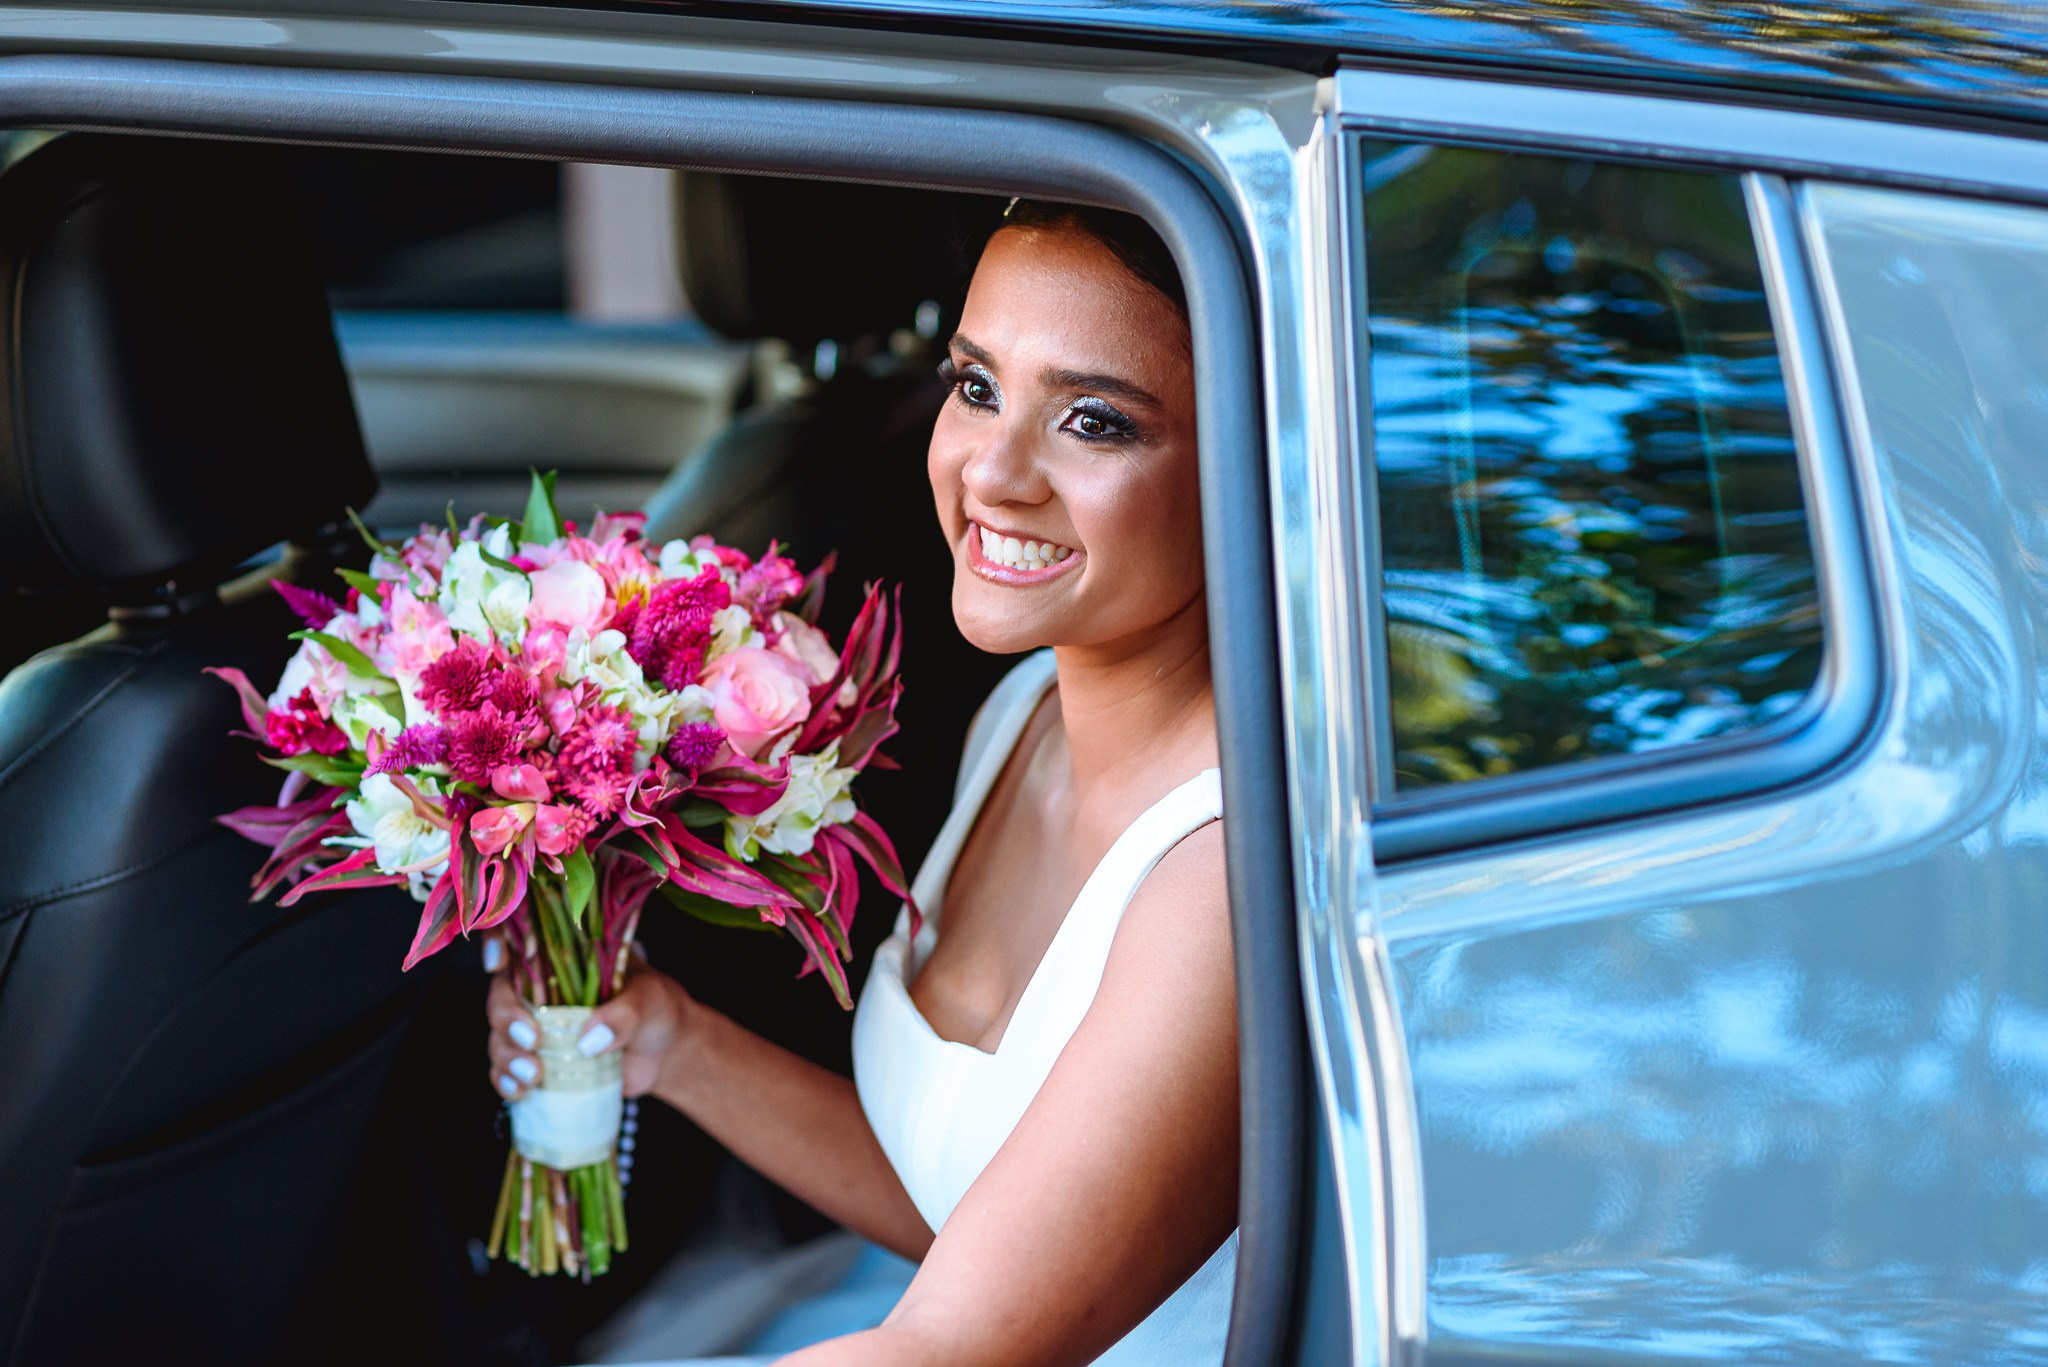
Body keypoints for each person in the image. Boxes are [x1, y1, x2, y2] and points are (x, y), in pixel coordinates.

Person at [485, 198, 1237, 1367]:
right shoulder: (1024, 713)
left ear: (1247, 460)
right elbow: (971, 1206)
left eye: (1092, 421)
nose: (992, 471)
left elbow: (948, 1342)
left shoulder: (1216, 885)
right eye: (976, 384)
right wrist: (675, 1043)